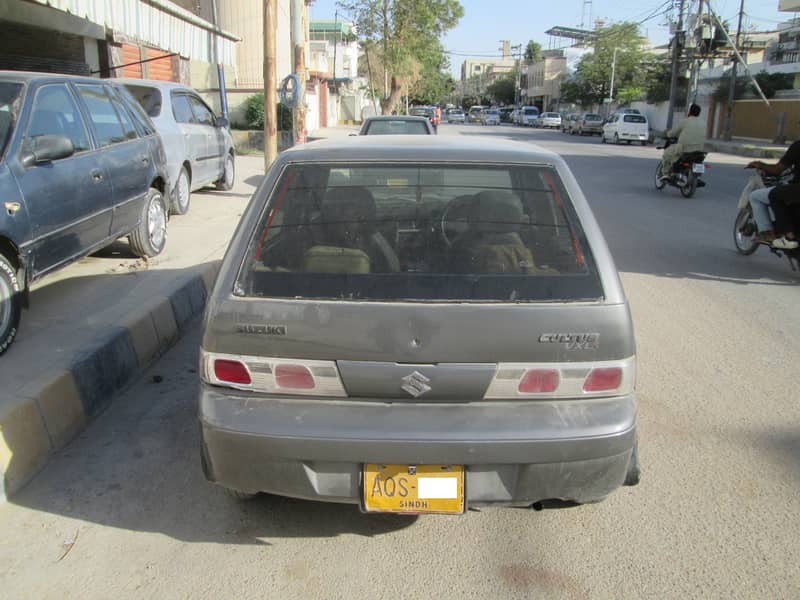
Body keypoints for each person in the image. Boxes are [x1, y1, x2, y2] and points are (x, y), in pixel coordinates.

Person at [746, 141, 800, 249]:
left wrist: (760, 165)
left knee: (763, 196)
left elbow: (777, 170)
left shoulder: (797, 146)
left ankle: (782, 236)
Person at [660, 103, 706, 178]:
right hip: (699, 150)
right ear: (699, 113)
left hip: (684, 150)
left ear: (689, 112)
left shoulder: (685, 121)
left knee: (666, 154)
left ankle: (665, 173)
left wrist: (667, 134)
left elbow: (673, 133)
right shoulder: (703, 123)